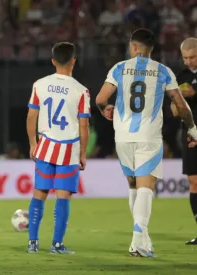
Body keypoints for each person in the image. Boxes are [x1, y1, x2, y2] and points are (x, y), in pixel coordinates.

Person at [96, 29, 197, 257]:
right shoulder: (163, 71)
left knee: (133, 186)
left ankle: (143, 239)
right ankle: (138, 241)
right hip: (148, 136)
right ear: (151, 50)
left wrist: (106, 109)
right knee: (145, 187)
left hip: (122, 136)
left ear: (133, 47)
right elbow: (181, 105)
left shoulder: (119, 68)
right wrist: (192, 128)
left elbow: (101, 99)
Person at [26, 42, 90, 255]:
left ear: (53, 61)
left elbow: (31, 116)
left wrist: (33, 143)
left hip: (45, 145)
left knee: (39, 193)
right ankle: (56, 244)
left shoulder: (39, 84)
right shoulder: (81, 91)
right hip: (69, 149)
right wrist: (83, 152)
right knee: (63, 197)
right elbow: (83, 125)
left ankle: (33, 243)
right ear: (74, 61)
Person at [171, 37, 197, 245]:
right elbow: (174, 109)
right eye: (185, 57)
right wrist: (177, 103)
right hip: (191, 133)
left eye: (193, 57)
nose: (189, 61)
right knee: (194, 181)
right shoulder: (181, 76)